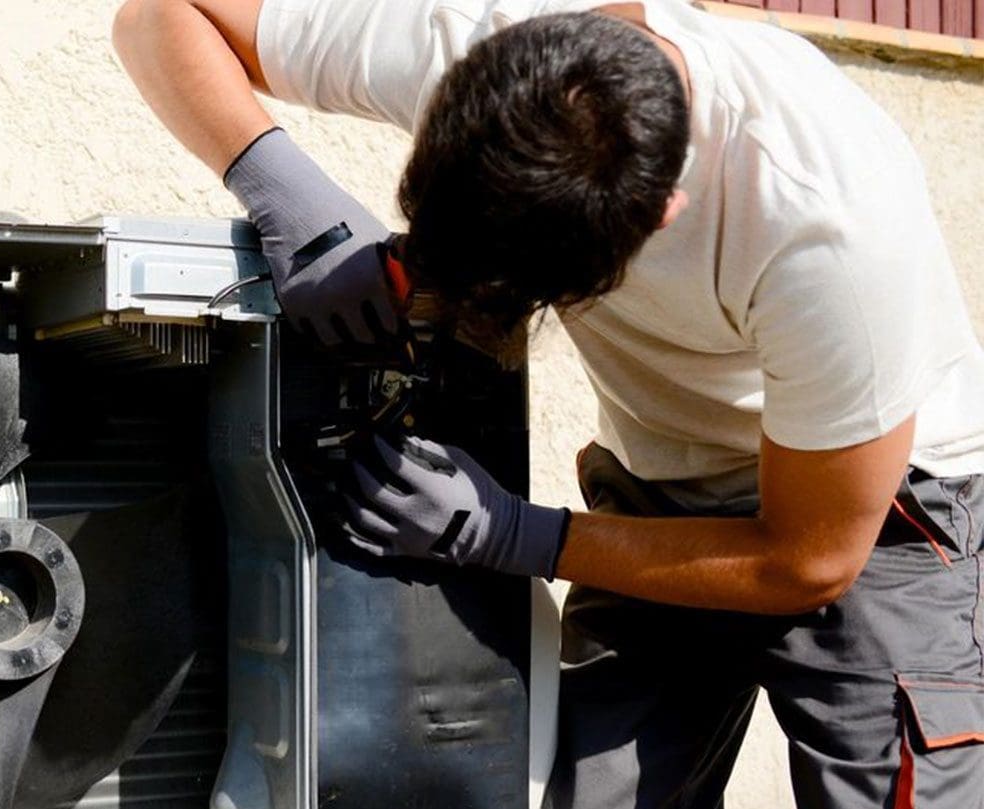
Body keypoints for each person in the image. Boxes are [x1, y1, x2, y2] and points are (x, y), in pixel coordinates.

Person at [113, 1, 984, 807]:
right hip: (662, 492)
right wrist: (281, 189)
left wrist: (518, 536)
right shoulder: (491, 50)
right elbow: (163, 16)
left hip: (875, 518)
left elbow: (808, 558)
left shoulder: (828, 231)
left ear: (656, 219)